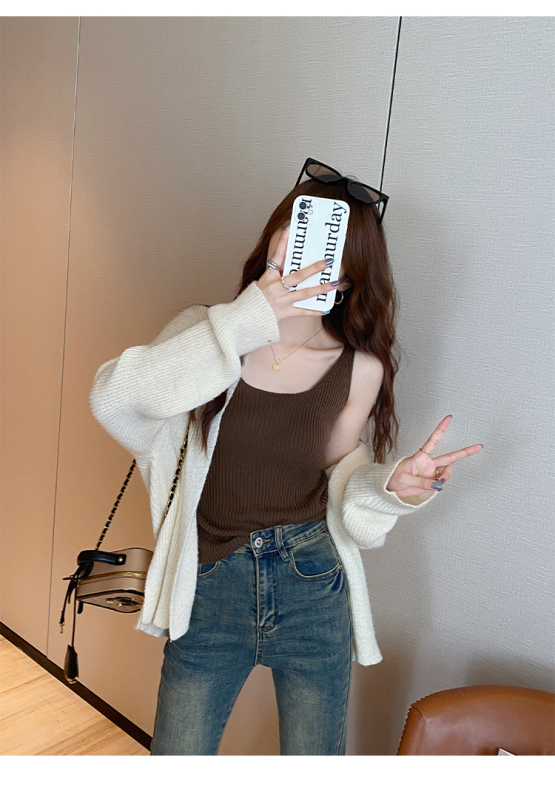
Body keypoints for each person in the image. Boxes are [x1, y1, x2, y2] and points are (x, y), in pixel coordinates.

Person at [89, 164, 483, 756]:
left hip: (310, 583)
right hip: (210, 582)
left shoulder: (361, 368)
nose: (310, 250)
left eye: (332, 244)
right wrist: (247, 318)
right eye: (300, 228)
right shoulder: (207, 333)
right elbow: (113, 400)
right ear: (274, 236)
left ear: (349, 276)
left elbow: (339, 474)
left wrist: (391, 486)